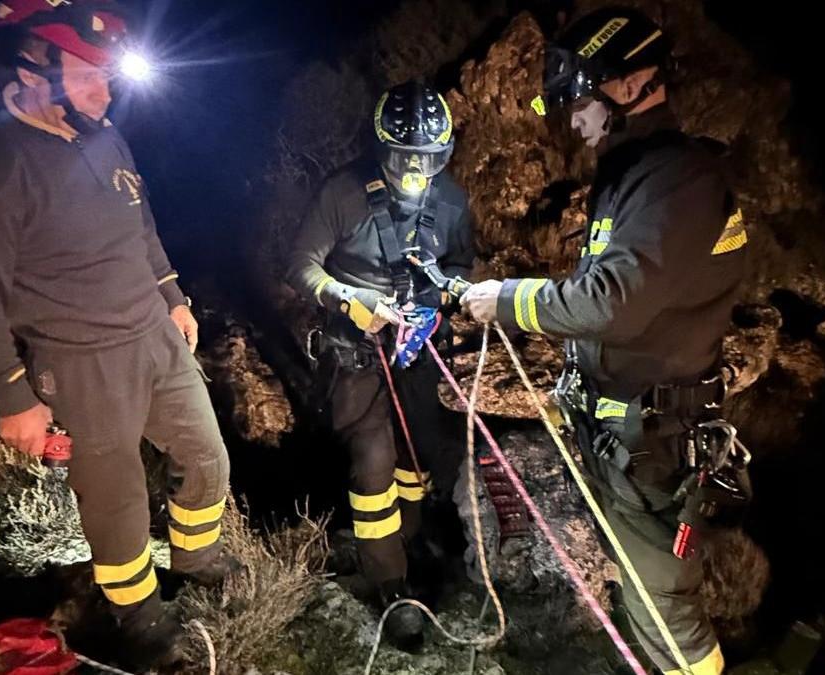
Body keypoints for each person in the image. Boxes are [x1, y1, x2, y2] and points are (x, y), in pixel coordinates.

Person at [0, 1, 235, 666]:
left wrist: (173, 296)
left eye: (108, 77)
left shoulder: (105, 135)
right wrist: (11, 394)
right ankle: (138, 613)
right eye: (87, 77)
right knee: (118, 499)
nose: (105, 94)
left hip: (154, 336)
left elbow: (143, 221)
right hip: (81, 360)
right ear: (35, 70)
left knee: (209, 456)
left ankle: (199, 557)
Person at [462, 7, 748, 673]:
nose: (573, 120)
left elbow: (607, 304)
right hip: (627, 431)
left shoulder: (680, 180)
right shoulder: (637, 176)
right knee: (645, 592)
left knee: (667, 606)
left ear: (632, 84)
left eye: (580, 101)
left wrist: (500, 299)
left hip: (655, 441)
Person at [286, 80, 476, 650]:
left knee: (419, 454)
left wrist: (439, 302)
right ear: (381, 149)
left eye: (427, 160)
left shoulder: (452, 201)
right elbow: (301, 266)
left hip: (415, 347)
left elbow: (461, 263)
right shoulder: (343, 193)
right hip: (357, 350)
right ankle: (390, 585)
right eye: (402, 158)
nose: (414, 171)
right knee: (373, 462)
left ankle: (410, 540)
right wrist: (351, 300)